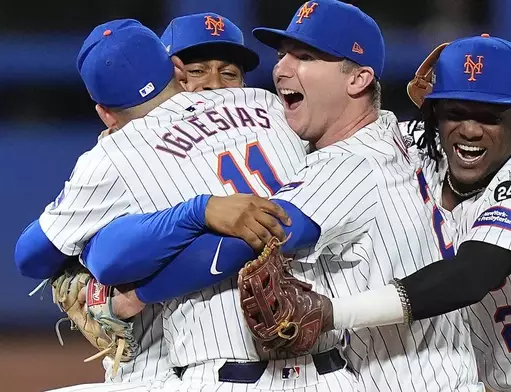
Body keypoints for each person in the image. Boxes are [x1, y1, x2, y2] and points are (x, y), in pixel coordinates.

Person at [70, 1, 483, 391]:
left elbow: (251, 238)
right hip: (428, 371)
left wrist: (130, 297)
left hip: (402, 379)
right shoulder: (402, 135)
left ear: (359, 78)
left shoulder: (348, 165)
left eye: (305, 57)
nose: (282, 67)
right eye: (283, 53)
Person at [300, 34, 511, 391]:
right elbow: (347, 144)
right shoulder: (417, 148)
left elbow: (471, 276)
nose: (470, 130)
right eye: (456, 113)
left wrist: (332, 312)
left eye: (490, 117)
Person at [14, 17, 305, 392]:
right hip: (285, 347)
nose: (213, 86)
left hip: (203, 364)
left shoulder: (114, 155)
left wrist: (117, 278)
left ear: (105, 111)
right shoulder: (270, 108)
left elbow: (33, 255)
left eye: (228, 74)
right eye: (198, 70)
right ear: (178, 71)